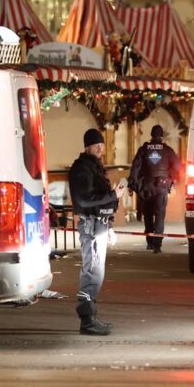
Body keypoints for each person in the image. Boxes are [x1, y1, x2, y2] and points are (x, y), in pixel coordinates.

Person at [68, 128, 124, 336]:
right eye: (96, 145)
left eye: (102, 145)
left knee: (96, 273)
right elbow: (85, 200)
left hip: (98, 225)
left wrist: (109, 225)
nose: (101, 148)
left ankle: (91, 316)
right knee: (92, 272)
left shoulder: (95, 168)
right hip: (91, 226)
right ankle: (87, 319)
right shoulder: (82, 168)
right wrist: (112, 194)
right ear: (87, 146)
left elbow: (100, 199)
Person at [131, 125, 180, 254]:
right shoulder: (168, 150)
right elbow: (178, 167)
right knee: (159, 215)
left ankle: (150, 243)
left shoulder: (144, 149)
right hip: (162, 187)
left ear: (151, 136)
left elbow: (135, 167)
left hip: (146, 187)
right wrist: (174, 181)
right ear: (161, 136)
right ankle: (157, 246)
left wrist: (132, 184)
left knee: (147, 215)